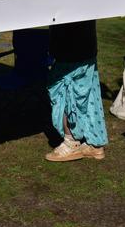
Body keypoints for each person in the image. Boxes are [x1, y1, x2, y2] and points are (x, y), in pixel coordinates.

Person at [45, 20, 108, 162]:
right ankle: (95, 143)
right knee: (89, 93)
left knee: (67, 93)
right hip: (86, 46)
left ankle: (71, 142)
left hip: (70, 48)